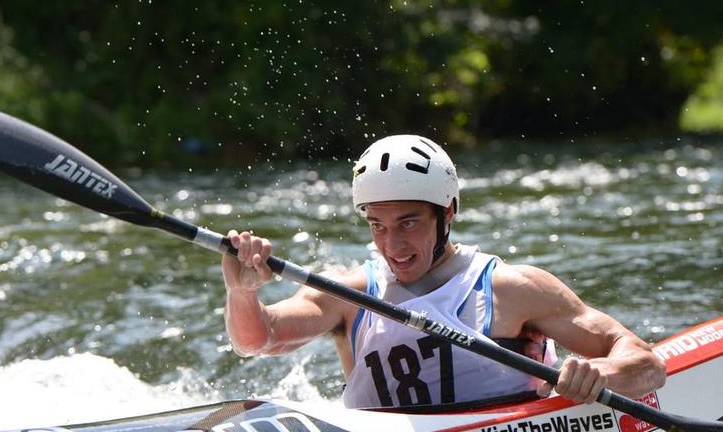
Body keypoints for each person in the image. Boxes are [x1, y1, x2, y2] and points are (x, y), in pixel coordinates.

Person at [221, 134, 666, 409]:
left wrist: (599, 376)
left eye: (408, 223)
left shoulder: (511, 289)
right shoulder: (347, 294)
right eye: (378, 225)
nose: (392, 245)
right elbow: (257, 339)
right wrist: (242, 293)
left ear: (447, 212)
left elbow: (645, 361)